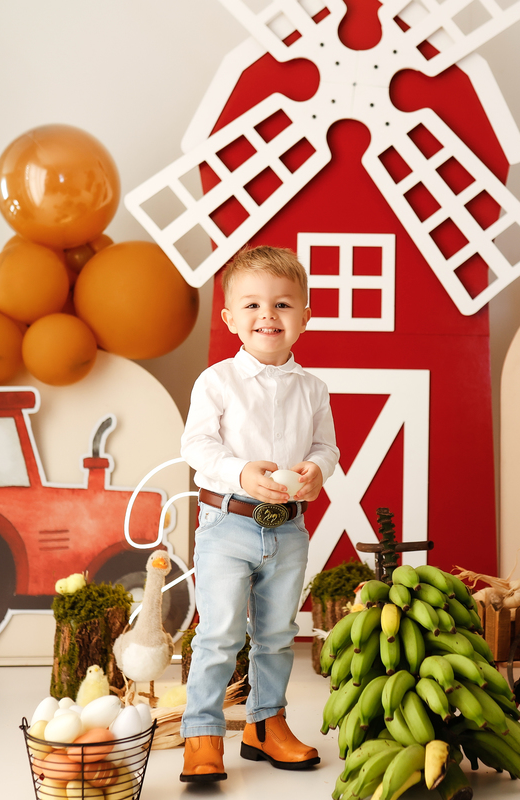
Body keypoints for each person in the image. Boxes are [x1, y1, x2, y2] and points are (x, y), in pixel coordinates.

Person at [178, 245, 339, 783]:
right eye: (252, 305)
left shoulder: (313, 389)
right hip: (227, 524)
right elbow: (196, 446)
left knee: (277, 633)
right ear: (230, 319)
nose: (268, 315)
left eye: (282, 305)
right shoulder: (217, 381)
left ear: (304, 317)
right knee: (220, 632)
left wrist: (317, 470)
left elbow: (326, 447)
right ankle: (202, 733)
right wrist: (241, 472)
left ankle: (265, 725)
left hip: (288, 528)